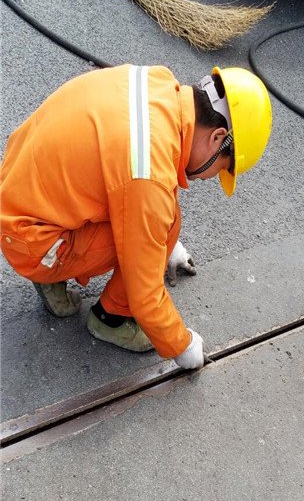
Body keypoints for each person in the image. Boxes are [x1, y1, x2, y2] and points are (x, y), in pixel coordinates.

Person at [0, 64, 272, 369]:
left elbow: (132, 179)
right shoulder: (149, 175)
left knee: (162, 222)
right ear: (218, 137)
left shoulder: (159, 85)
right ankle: (111, 319)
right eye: (222, 167)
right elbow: (145, 291)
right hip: (29, 239)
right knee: (160, 230)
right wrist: (183, 346)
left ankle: (52, 271)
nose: (211, 177)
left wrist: (168, 243)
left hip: (18, 192)